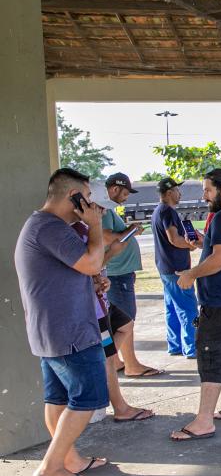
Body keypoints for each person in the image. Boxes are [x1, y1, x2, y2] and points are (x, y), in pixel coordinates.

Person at [14, 168, 110, 476]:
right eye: (88, 198)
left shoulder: (42, 226)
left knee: (57, 400)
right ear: (74, 197)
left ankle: (69, 460)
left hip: (52, 330)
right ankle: (50, 469)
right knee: (88, 398)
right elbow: (91, 262)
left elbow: (82, 269)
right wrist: (95, 226)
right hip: (68, 332)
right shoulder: (50, 227)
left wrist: (92, 281)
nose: (93, 206)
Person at [170, 169, 221, 441]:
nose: (204, 196)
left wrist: (190, 274)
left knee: (211, 355)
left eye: (207, 190)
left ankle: (204, 420)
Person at [71, 220, 157, 425]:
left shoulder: (85, 227)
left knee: (125, 325)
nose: (100, 211)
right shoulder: (73, 231)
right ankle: (120, 407)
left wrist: (100, 280)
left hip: (101, 302)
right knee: (108, 357)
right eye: (97, 206)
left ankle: (102, 363)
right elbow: (86, 266)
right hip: (92, 308)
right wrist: (112, 253)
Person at [152, 178, 201, 359]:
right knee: (188, 309)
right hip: (177, 269)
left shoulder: (158, 211)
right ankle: (192, 347)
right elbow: (173, 238)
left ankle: (175, 345)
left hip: (165, 267)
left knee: (172, 309)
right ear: (170, 192)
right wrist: (190, 245)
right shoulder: (168, 211)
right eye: (177, 191)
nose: (180, 194)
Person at [100, 173, 143, 319]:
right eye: (125, 193)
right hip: (117, 275)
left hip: (121, 273)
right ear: (114, 189)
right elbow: (105, 238)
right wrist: (130, 231)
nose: (126, 198)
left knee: (125, 319)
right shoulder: (104, 210)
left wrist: (131, 232)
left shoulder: (108, 210)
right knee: (125, 321)